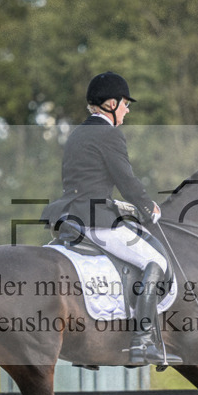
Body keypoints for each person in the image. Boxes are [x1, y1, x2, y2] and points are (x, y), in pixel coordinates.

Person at [41, 72, 169, 365]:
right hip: (96, 220)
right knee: (157, 262)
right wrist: (149, 207)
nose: (127, 109)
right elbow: (126, 179)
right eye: (125, 103)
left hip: (70, 216)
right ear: (111, 104)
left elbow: (87, 181)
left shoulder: (77, 134)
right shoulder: (109, 133)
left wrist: (118, 204)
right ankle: (143, 342)